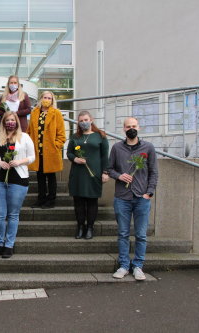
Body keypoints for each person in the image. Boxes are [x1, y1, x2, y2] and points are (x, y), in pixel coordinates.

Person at [108, 117, 158, 281]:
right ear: (123, 129)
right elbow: (109, 169)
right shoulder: (116, 148)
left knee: (141, 234)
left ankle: (138, 266)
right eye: (128, 126)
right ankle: (123, 265)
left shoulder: (148, 148)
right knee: (123, 233)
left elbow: (153, 172)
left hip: (141, 197)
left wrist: (149, 192)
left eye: (134, 126)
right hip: (122, 197)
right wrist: (119, 175)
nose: (131, 128)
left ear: (139, 127)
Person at [0, 111, 35, 258]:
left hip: (18, 180)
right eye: (7, 120)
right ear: (3, 122)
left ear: (17, 122)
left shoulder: (25, 137)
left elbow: (32, 156)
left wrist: (19, 162)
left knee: (13, 214)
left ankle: (9, 245)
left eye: (12, 120)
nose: (10, 122)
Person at [67, 111, 109, 240]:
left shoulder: (100, 136)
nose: (83, 122)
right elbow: (69, 153)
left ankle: (90, 227)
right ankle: (80, 227)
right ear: (78, 123)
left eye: (86, 119)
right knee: (78, 202)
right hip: (78, 174)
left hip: (94, 173)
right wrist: (75, 159)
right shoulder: (75, 137)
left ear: (91, 120)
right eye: (81, 120)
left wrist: (105, 172)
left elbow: (104, 156)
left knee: (92, 201)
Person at [27, 91, 66, 209]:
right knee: (40, 176)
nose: (47, 100)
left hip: (51, 151)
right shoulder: (34, 112)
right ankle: (41, 199)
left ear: (52, 100)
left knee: (51, 176)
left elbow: (62, 134)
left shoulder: (56, 113)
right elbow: (29, 131)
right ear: (41, 99)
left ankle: (51, 200)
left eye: (49, 98)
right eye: (45, 97)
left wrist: (56, 145)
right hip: (37, 150)